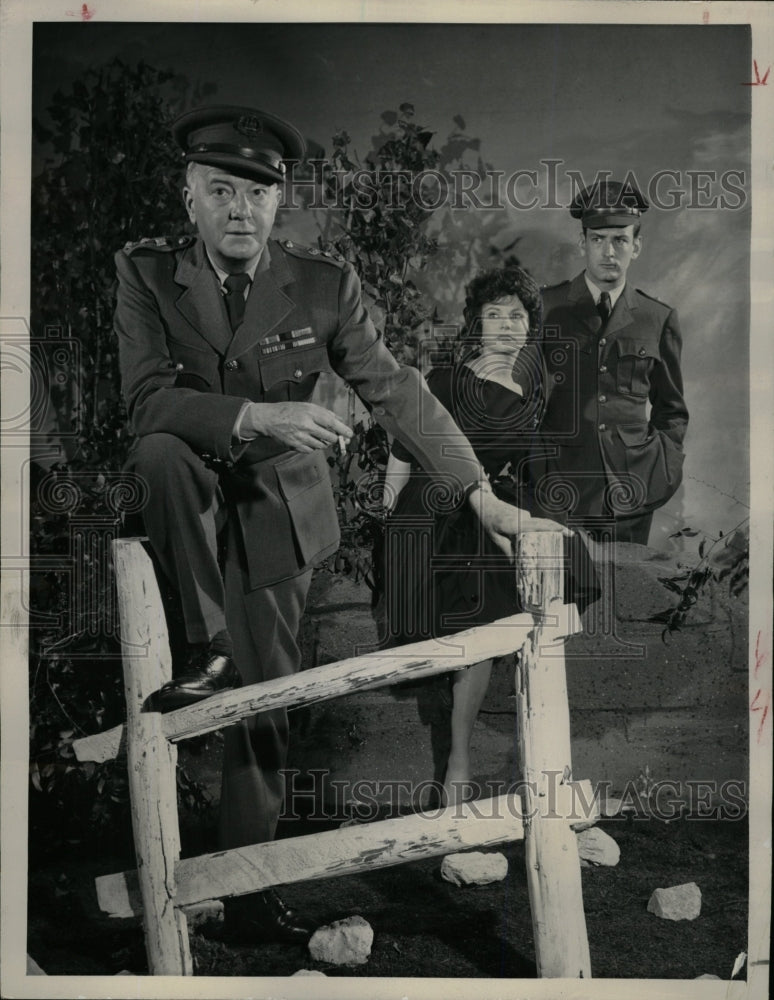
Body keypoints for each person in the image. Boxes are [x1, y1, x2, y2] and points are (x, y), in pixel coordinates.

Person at [114, 105, 559, 945]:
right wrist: (257, 416)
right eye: (220, 191)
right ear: (190, 198)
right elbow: (146, 403)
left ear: (279, 204)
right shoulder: (145, 275)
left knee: (268, 707)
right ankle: (206, 644)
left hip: (279, 512)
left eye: (256, 194)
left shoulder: (324, 285)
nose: (239, 210)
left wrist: (478, 494)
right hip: (184, 504)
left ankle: (244, 887)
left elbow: (396, 392)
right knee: (160, 453)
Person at [382, 265, 598, 807]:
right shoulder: (445, 380)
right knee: (483, 587)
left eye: (517, 316)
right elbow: (404, 452)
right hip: (437, 509)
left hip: (494, 510)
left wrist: (552, 518)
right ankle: (458, 764)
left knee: (544, 570)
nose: (506, 325)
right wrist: (387, 520)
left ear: (528, 329)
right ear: (476, 324)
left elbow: (534, 473)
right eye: (495, 314)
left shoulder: (532, 394)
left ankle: (543, 767)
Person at [535, 180, 689, 544]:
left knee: (627, 593)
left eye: (620, 240)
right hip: (558, 485)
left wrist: (661, 465)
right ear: (582, 243)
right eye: (597, 239)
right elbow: (523, 397)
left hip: (632, 488)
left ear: (636, 246)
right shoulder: (545, 308)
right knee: (558, 595)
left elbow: (673, 410)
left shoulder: (657, 317)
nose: (608, 251)